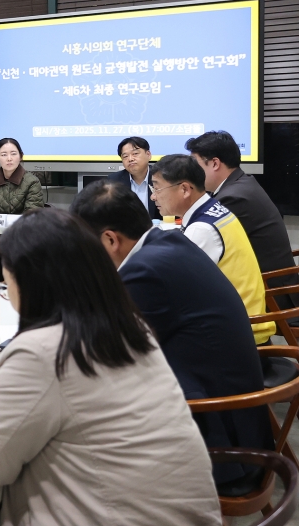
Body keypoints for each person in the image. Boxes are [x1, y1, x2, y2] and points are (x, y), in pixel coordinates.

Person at [0, 209, 221, 525]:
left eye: (6, 282)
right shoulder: (126, 324)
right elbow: (78, 391)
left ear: (29, 283)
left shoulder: (41, 351)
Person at [70, 181, 272, 493]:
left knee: (73, 445)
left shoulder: (146, 271)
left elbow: (102, 352)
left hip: (221, 447)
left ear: (110, 239)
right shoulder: (166, 243)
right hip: (239, 425)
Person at [150, 154, 273, 345]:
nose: (153, 196)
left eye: (157, 188)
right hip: (243, 321)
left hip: (238, 335)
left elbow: (176, 289)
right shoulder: (213, 209)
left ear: (184, 189)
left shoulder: (202, 229)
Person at [187, 130, 298, 310]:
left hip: (271, 295)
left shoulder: (233, 197)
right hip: (271, 285)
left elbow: (203, 242)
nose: (191, 172)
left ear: (215, 163)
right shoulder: (241, 183)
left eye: (195, 164)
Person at [0, 138, 44, 293]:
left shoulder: (32, 182)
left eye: (13, 154)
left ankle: (22, 295)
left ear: (21, 156)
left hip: (23, 236)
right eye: (4, 154)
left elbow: (31, 216)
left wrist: (8, 238)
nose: (9, 158)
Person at [106, 136, 161, 220]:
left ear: (148, 155)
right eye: (125, 156)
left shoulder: (162, 177)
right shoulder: (114, 181)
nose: (130, 159)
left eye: (135, 154)